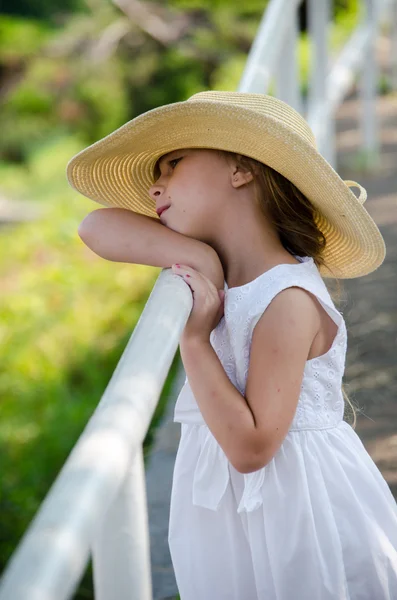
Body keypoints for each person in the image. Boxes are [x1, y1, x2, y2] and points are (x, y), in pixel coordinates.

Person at [67, 91, 397, 599]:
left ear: (241, 169)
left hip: (298, 512)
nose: (155, 186)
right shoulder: (227, 272)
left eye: (172, 165)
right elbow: (94, 225)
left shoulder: (285, 298)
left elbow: (252, 448)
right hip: (233, 512)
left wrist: (195, 340)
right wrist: (196, 254)